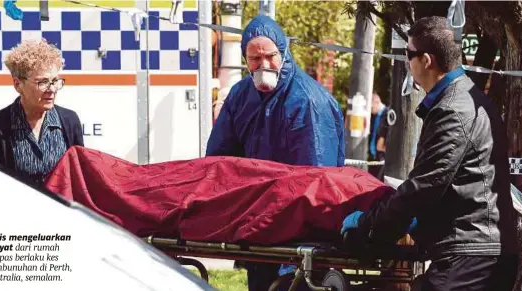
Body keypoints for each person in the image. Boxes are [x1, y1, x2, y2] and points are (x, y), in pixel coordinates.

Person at [341, 16, 518, 291]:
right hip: (479, 249)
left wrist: (367, 228)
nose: (406, 64)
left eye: (408, 55)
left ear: (426, 60)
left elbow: (424, 187)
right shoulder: (468, 99)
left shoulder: (452, 110)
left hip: (470, 257)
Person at [206, 15, 345, 291]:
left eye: (270, 56)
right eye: (254, 59)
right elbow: (219, 160)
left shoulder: (308, 101)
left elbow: (317, 180)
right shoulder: (240, 95)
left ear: (283, 52)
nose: (263, 65)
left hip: (300, 235)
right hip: (257, 228)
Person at [0, 39, 84, 186]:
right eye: (43, 82)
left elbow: (80, 178)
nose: (52, 89)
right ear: (18, 85)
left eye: (54, 81)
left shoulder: (69, 121)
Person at [368, 92, 388, 180]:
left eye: (371, 107)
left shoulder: (387, 113)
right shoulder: (375, 116)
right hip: (374, 155)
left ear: (376, 102)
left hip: (382, 155)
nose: (370, 110)